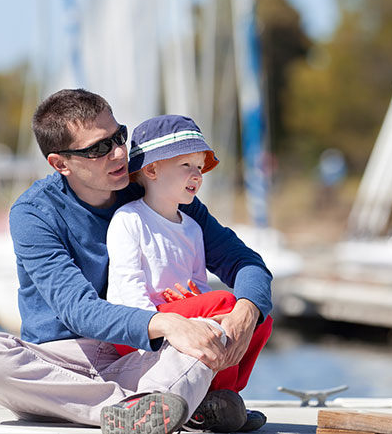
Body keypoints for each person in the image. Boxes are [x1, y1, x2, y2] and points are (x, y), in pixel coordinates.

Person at [0, 89, 273, 434]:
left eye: (119, 137)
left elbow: (246, 263)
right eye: (98, 148)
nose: (120, 153)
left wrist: (246, 312)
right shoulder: (34, 213)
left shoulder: (154, 188)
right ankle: (156, 407)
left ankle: (154, 404)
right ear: (60, 163)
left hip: (143, 356)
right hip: (62, 362)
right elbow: (78, 309)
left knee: (217, 323)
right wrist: (167, 324)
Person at [106, 115, 273, 431]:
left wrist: (196, 302)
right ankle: (215, 398)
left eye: (200, 167)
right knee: (226, 302)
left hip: (186, 319)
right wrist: (155, 324)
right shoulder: (129, 219)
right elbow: (127, 286)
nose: (197, 175)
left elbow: (198, 285)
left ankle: (223, 399)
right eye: (186, 165)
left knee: (258, 317)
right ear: (152, 170)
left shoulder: (194, 229)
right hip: (140, 328)